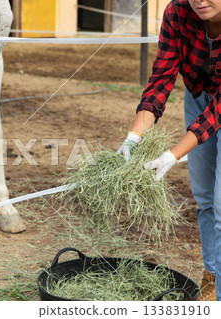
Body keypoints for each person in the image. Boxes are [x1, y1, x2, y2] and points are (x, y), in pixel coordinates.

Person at [118, 0, 221, 301]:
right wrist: (133, 137)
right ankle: (211, 279)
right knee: (204, 199)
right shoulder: (177, 12)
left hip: (217, 107)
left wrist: (171, 155)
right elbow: (162, 78)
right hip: (198, 98)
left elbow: (217, 111)